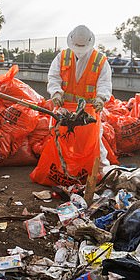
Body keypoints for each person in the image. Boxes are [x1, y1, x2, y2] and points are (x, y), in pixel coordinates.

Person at [30, 25, 113, 188]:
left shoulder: (100, 61)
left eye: (83, 47)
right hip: (65, 109)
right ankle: (63, 173)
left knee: (93, 144)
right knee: (61, 142)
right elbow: (53, 77)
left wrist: (101, 98)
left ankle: (101, 174)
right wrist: (56, 93)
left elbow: (104, 83)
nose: (80, 50)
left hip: (88, 111)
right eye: (78, 47)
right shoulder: (63, 57)